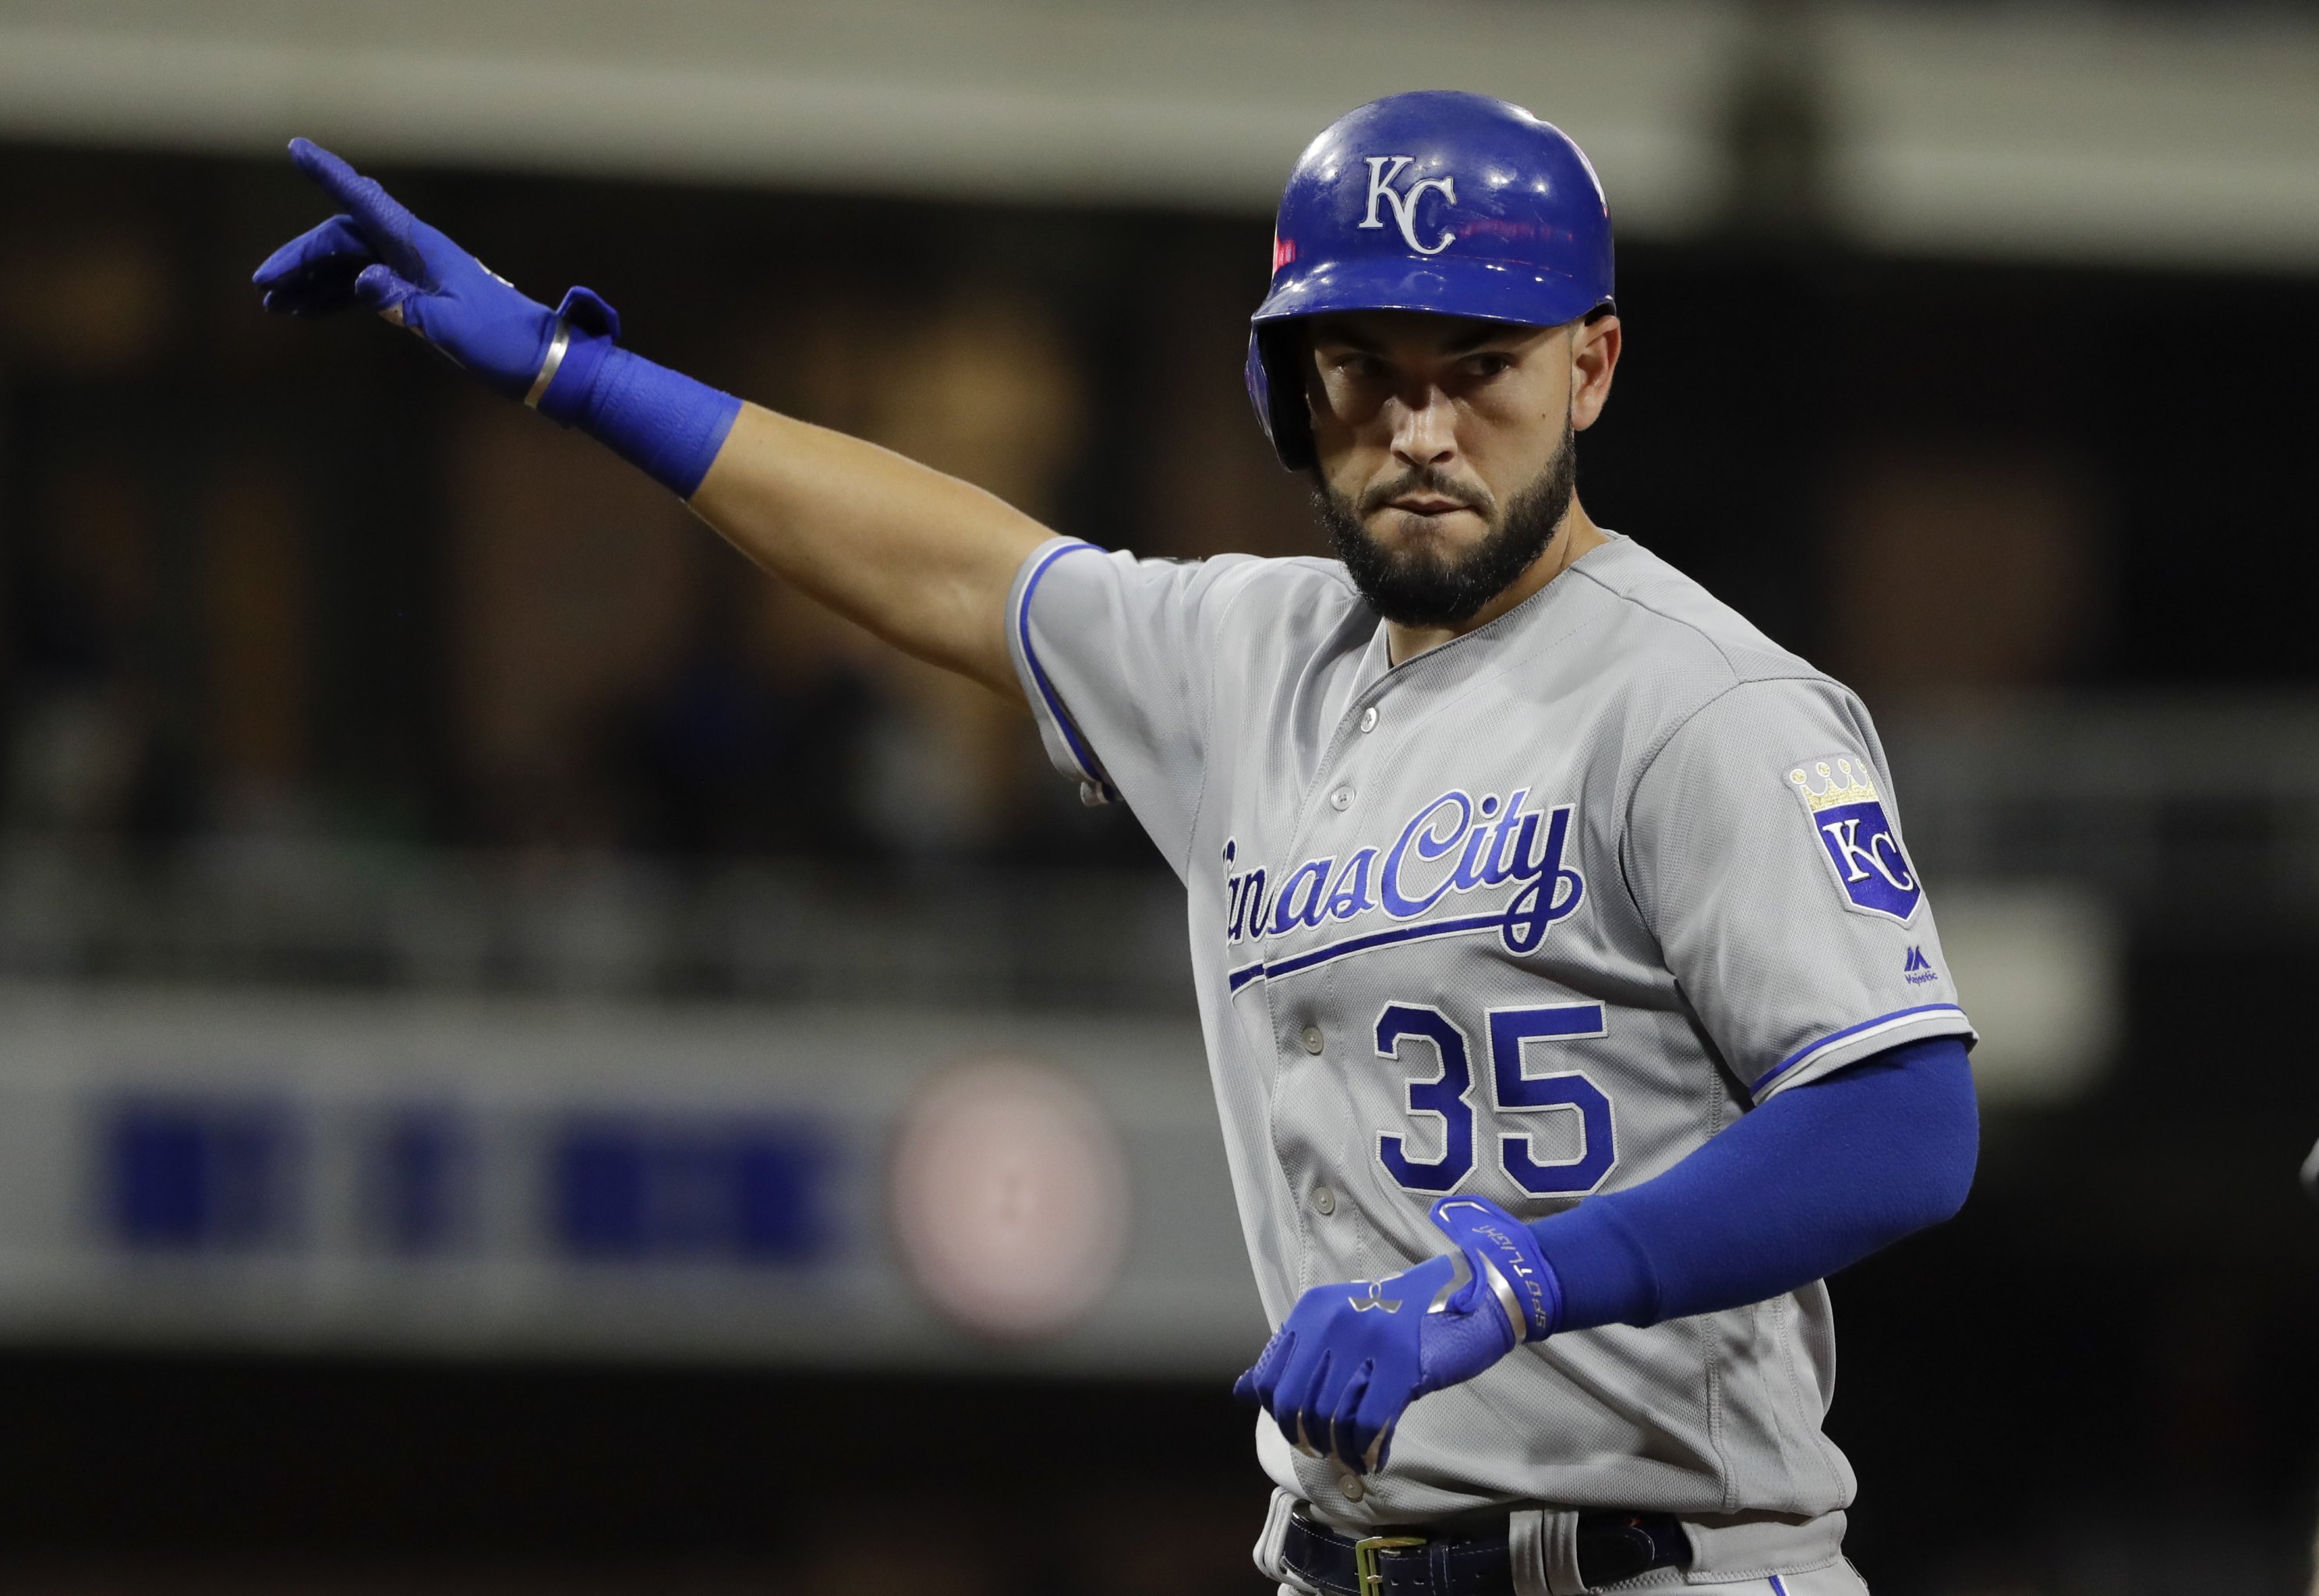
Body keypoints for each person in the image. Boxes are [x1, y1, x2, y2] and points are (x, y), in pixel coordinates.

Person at [256, 90, 1979, 1596]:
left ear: (1590, 366)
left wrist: (1525, 1277)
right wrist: (579, 376)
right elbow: (958, 563)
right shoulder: (1251, 657)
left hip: (1657, 1560)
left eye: (1483, 370)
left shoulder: (1700, 702)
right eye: (1366, 374)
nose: (1426, 429)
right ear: (1288, 388)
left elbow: (1904, 1120)